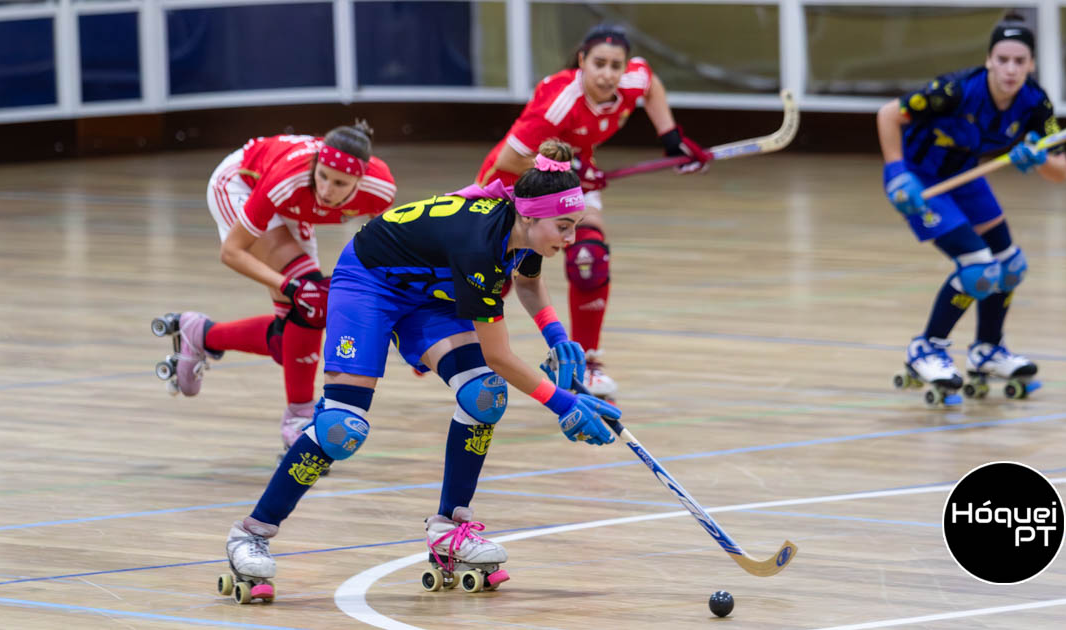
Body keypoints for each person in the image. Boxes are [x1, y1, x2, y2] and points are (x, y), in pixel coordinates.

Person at [218, 140, 622, 600]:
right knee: (339, 428)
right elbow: (499, 355)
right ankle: (250, 533)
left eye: (574, 227)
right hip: (369, 284)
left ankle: (450, 529)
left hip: (429, 295)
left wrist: (555, 335)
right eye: (564, 227)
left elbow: (527, 278)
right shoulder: (479, 248)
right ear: (528, 217)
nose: (571, 240)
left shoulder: (522, 231)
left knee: (484, 395)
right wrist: (563, 403)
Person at [476, 23, 713, 399]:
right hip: (512, 182)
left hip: (572, 179)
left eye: (615, 65)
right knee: (497, 280)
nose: (607, 74)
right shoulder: (560, 101)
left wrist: (672, 139)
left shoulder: (630, 80)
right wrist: (574, 171)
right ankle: (441, 338)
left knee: (590, 258)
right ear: (582, 61)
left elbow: (650, 84)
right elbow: (510, 157)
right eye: (599, 64)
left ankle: (586, 365)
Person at [154, 122, 396, 445]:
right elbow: (231, 252)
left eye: (339, 183)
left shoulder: (380, 191)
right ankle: (299, 418)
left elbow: (384, 260)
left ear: (360, 180)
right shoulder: (291, 177)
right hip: (241, 185)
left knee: (289, 340)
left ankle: (201, 334)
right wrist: (292, 287)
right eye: (322, 176)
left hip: (292, 207)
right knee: (310, 301)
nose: (326, 190)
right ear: (315, 165)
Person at [877, 12, 1066, 404]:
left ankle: (987, 351)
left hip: (964, 177)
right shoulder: (955, 91)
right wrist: (896, 171)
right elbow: (888, 114)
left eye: (1019, 61)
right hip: (918, 182)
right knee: (979, 268)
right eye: (1002, 59)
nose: (1010, 70)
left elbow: (1060, 171)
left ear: (1031, 64)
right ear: (988, 60)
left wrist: (1035, 158)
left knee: (1009, 266)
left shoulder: (1036, 103)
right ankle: (926, 349)